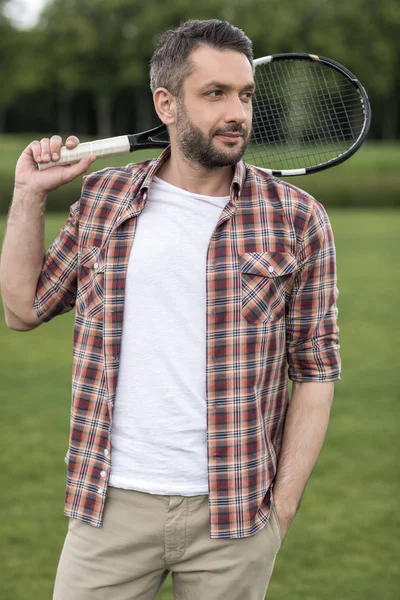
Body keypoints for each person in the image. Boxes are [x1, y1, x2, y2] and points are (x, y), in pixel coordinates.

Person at [0, 19, 341, 600]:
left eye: (245, 94)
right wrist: (29, 195)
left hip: (234, 515)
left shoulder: (297, 217)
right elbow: (23, 309)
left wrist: (279, 512)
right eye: (215, 94)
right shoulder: (104, 200)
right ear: (167, 103)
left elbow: (314, 370)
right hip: (109, 505)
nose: (237, 112)